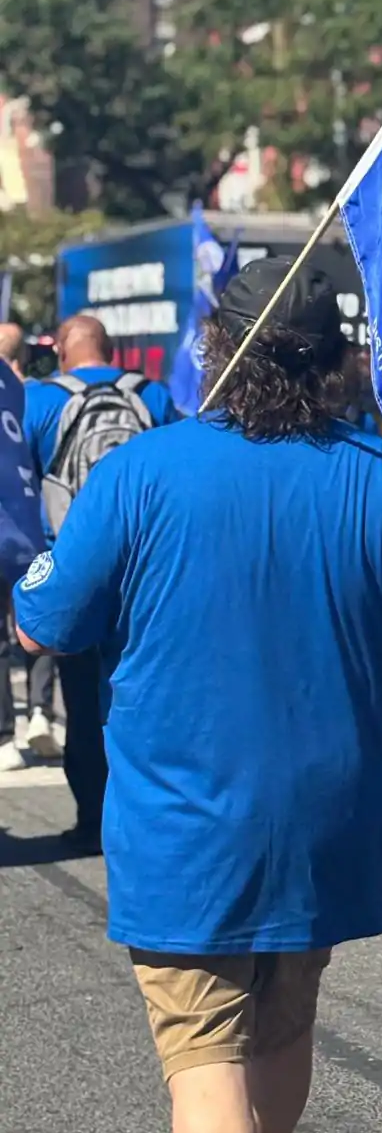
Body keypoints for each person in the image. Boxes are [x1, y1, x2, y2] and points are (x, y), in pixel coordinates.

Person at [13, 257, 382, 1133]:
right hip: (331, 817)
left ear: (217, 349)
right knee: (284, 1026)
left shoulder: (138, 472)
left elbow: (45, 626)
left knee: (203, 1048)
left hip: (185, 823)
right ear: (335, 356)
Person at [21, 316, 176, 847]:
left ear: (63, 351)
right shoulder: (151, 395)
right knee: (150, 694)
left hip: (75, 572)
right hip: (149, 574)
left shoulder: (41, 400)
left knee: (83, 703)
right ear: (110, 350)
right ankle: (149, 818)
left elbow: (21, 482)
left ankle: (92, 820)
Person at [0, 324, 57, 770]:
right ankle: (40, 711)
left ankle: (4, 736)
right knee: (34, 626)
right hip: (28, 529)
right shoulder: (24, 392)